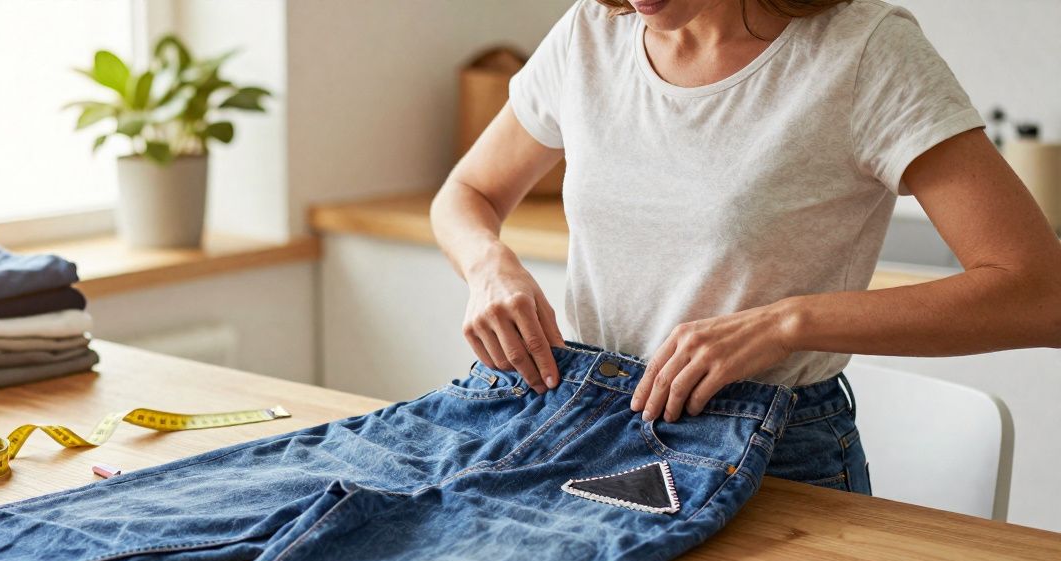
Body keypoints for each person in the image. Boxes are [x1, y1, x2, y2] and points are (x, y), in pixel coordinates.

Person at [430, 0, 1061, 494]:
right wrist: (488, 266)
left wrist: (787, 323)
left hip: (777, 456)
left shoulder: (864, 50)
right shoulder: (589, 34)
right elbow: (467, 193)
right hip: (591, 423)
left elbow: (1040, 294)